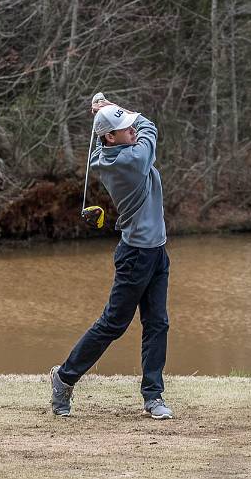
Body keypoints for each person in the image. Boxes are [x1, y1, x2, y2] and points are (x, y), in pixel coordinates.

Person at [49, 98, 173, 420]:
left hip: (156, 251)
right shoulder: (131, 160)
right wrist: (113, 106)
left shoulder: (105, 153)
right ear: (110, 139)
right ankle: (63, 378)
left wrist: (109, 112)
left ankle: (153, 396)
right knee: (113, 324)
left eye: (128, 125)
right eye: (122, 129)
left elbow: (133, 128)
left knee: (157, 323)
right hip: (135, 257)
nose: (131, 130)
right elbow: (151, 127)